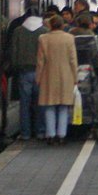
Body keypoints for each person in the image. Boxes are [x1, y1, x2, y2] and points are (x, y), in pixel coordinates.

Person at [36, 14, 78, 145]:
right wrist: (75, 77)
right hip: (66, 76)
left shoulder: (43, 39)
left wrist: (38, 78)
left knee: (49, 106)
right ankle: (61, 135)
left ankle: (50, 134)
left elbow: (40, 61)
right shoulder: (69, 38)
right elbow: (73, 60)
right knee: (63, 107)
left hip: (48, 76)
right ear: (62, 25)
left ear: (50, 25)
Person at [9, 2, 47, 140]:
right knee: (40, 103)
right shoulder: (44, 32)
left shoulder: (18, 31)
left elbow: (14, 51)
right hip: (40, 72)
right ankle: (40, 131)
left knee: (24, 104)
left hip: (24, 71)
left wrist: (15, 67)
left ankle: (25, 133)